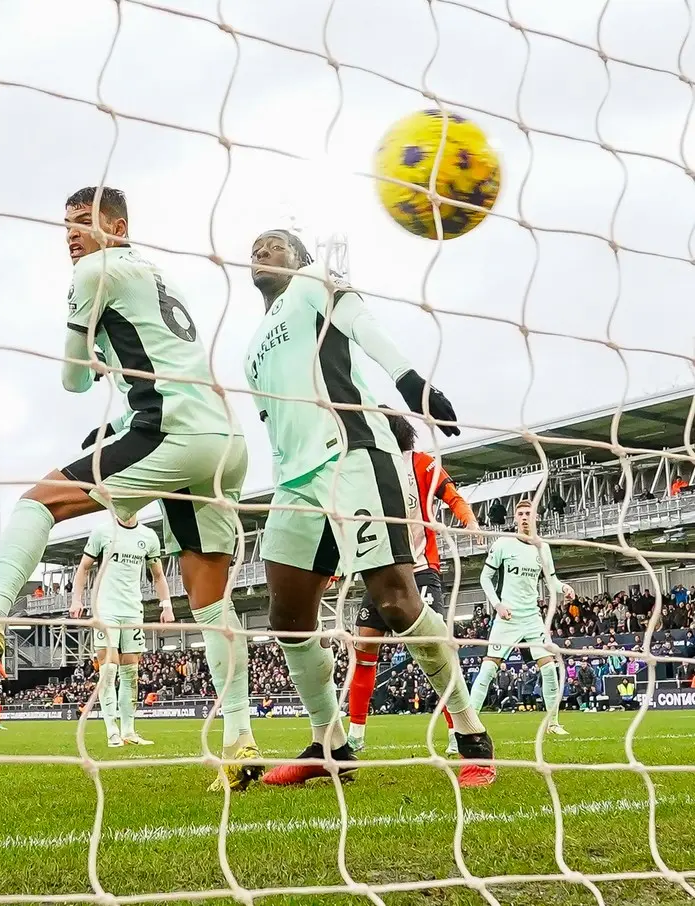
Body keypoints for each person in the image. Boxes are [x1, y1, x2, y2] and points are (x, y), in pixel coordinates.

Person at [0, 187, 261, 792]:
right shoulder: (157, 275)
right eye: (66, 224)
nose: (72, 233)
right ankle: (240, 742)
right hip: (224, 440)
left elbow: (72, 381)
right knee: (211, 605)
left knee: (35, 502)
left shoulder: (94, 270)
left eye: (84, 221)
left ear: (117, 226)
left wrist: (91, 358)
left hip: (170, 428)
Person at [241, 228, 495, 788]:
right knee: (286, 619)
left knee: (396, 602)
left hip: (353, 453)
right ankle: (330, 744)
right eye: (255, 246)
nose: (261, 250)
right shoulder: (250, 349)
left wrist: (410, 381)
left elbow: (359, 320)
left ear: (302, 258)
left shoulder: (312, 284)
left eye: (275, 244)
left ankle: (472, 735)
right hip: (295, 481)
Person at [347, 409, 482, 755]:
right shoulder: (367, 469)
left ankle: (458, 731)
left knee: (433, 646)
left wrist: (468, 520)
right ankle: (356, 734)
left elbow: (450, 494)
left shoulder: (420, 462)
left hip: (420, 569)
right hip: (380, 570)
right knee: (364, 648)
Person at [470, 498, 575, 735]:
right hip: (507, 618)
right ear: (515, 518)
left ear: (536, 517)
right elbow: (484, 579)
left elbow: (552, 580)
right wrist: (497, 605)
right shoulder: (504, 544)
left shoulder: (542, 548)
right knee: (487, 671)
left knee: (549, 669)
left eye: (529, 513)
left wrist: (564, 588)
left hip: (531, 619)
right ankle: (466, 729)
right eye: (521, 514)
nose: (525, 517)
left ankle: (553, 723)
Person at [70, 514, 174, 747]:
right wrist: (77, 599)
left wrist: (166, 605)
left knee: (131, 675)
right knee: (108, 672)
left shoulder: (148, 536)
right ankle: (111, 732)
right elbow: (83, 568)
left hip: (132, 611)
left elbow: (158, 575)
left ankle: (129, 731)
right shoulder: (102, 532)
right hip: (105, 610)